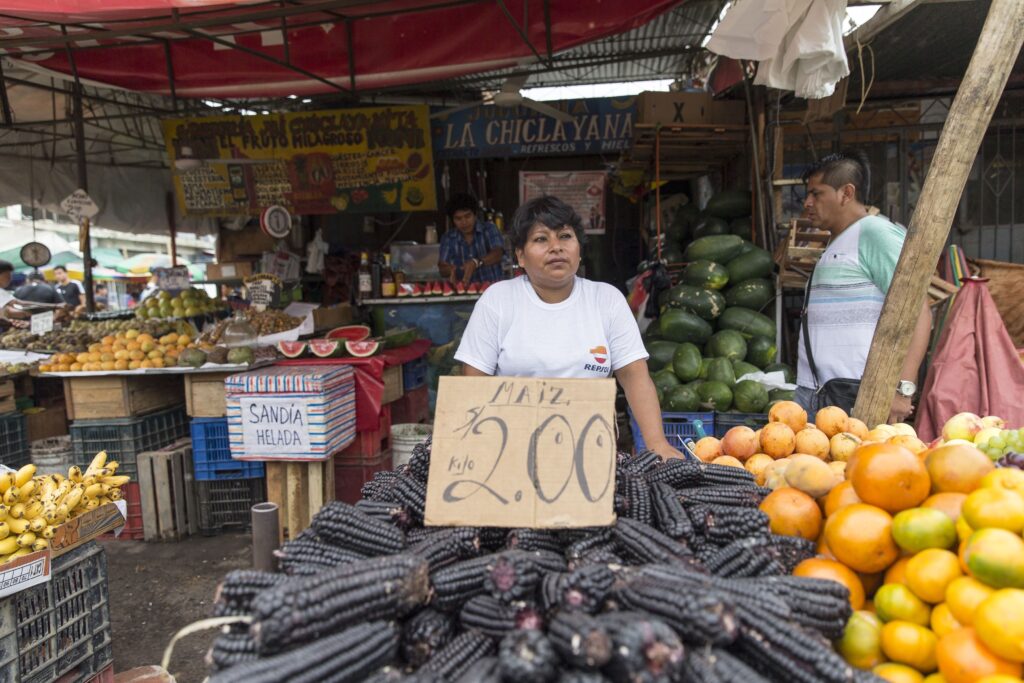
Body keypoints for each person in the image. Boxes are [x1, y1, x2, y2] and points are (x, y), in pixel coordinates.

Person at [455, 195, 683, 461]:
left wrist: (657, 443)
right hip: (511, 450)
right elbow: (473, 382)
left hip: (590, 450)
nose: (556, 247)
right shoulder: (498, 300)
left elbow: (634, 377)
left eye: (565, 236)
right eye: (541, 239)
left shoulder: (606, 300)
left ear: (578, 248)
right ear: (520, 256)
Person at [797, 151, 932, 423]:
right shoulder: (837, 241)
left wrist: (902, 390)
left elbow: (919, 313)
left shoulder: (875, 234)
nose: (807, 203)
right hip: (821, 393)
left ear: (846, 193)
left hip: (857, 395)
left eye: (816, 194)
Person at [437, 193, 504, 286]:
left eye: (467, 216)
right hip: (463, 293)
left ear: (475, 215)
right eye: (458, 218)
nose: (464, 222)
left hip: (492, 290)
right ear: (452, 220)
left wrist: (476, 262)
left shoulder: (489, 229)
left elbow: (498, 253)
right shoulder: (448, 237)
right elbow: (442, 268)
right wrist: (450, 269)